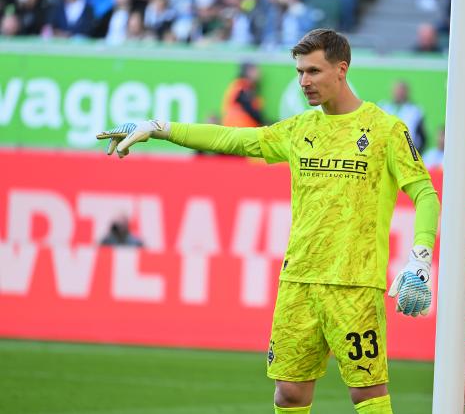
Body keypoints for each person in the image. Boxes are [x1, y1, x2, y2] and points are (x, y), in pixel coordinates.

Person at [96, 28, 440, 414]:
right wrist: (161, 129)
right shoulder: (300, 129)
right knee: (288, 394)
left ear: (341, 69)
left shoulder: (386, 130)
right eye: (299, 72)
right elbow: (233, 140)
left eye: (313, 71)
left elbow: (425, 192)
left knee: (367, 394)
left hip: (354, 284)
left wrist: (420, 255)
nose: (304, 82)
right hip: (298, 282)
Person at [378, 80, 427, 154]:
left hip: (407, 153)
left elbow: (422, 137)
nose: (399, 93)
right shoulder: (383, 107)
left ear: (407, 92)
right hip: (386, 152)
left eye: (402, 90)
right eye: (397, 90)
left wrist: (415, 154)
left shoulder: (415, 110)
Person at [221, 62, 266, 127]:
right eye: (256, 70)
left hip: (238, 128)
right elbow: (249, 109)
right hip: (240, 128)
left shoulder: (241, 85)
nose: (259, 73)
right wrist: (264, 122)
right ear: (249, 71)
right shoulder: (242, 86)